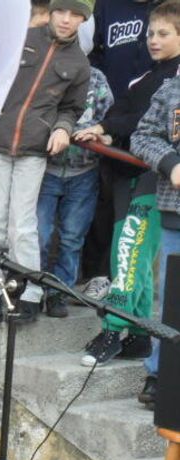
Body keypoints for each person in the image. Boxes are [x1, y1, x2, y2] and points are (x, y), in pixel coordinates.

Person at [0, 0, 92, 325]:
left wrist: (63, 129)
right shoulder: (21, 38)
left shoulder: (80, 64)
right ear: (51, 12)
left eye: (75, 14)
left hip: (34, 151)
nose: (66, 20)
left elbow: (72, 108)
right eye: (61, 11)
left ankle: (29, 296)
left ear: (83, 19)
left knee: (22, 226)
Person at [76, 0, 180, 364]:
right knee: (129, 250)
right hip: (127, 176)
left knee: (131, 254)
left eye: (163, 34)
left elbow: (138, 119)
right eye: (150, 33)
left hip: (156, 181)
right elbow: (125, 113)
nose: (153, 40)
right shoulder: (148, 76)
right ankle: (138, 334)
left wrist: (108, 128)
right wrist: (106, 132)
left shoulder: (174, 80)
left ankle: (112, 330)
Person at [37, 66, 114, 316]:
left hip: (84, 171)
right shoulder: (51, 70)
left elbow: (108, 117)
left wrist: (100, 133)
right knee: (40, 232)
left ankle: (59, 292)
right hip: (47, 168)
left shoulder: (98, 78)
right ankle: (34, 288)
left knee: (72, 237)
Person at [131, 66, 180, 406]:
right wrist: (171, 163)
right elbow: (142, 136)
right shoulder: (171, 90)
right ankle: (158, 374)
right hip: (176, 212)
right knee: (172, 299)